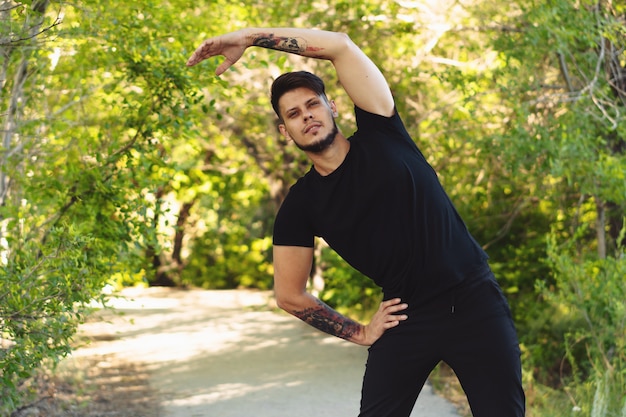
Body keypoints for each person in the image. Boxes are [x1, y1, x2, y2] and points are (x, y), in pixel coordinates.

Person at [187, 28, 525, 417]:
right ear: (285, 131)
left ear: (332, 106)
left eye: (312, 104)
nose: (306, 116)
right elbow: (289, 294)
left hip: (475, 301)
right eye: (293, 114)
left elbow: (340, 46)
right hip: (405, 315)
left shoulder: (383, 131)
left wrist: (249, 37)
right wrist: (360, 332)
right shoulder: (300, 206)